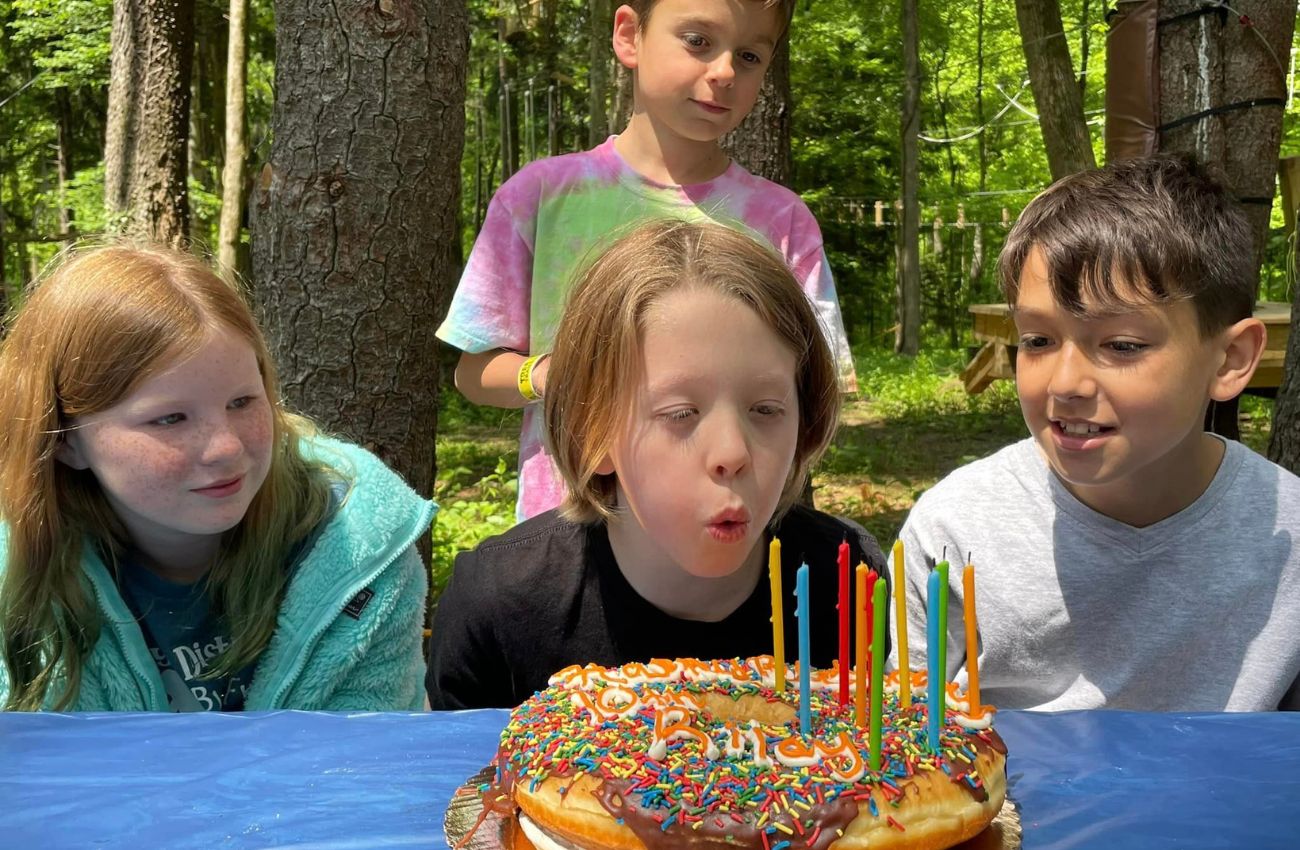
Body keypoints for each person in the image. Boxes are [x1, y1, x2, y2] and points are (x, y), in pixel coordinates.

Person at [892, 155, 1300, 712]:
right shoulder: (955, 528)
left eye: (1122, 345)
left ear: (1229, 359)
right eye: (1037, 341)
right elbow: (900, 728)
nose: (1065, 383)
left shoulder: (1288, 535)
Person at [427, 220, 885, 710]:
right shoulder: (499, 607)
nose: (733, 452)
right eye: (681, 413)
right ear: (592, 431)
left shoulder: (846, 581)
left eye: (766, 409)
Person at [438, 0, 855, 521]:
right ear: (629, 35)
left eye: (749, 56)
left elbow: (815, 388)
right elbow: (473, 374)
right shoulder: (541, 198)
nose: (724, 72)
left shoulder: (783, 221)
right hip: (571, 524)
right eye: (698, 41)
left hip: (727, 525)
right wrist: (555, 376)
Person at [0, 243, 436, 712]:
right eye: (170, 419)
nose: (226, 447)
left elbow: (373, 747)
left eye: (242, 402)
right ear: (64, 440)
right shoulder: (16, 576)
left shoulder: (360, 546)